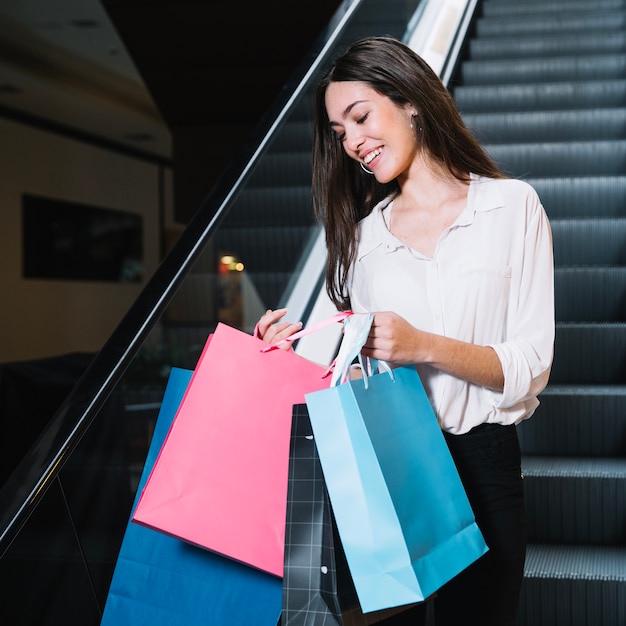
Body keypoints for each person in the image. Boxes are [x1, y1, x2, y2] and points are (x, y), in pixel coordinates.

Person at [256, 36, 554, 626]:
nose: (353, 143)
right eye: (340, 133)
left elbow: (530, 365)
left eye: (361, 117)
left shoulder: (512, 207)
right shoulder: (361, 240)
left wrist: (424, 346)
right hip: (393, 461)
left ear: (411, 101)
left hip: (486, 459)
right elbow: (348, 368)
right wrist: (284, 352)